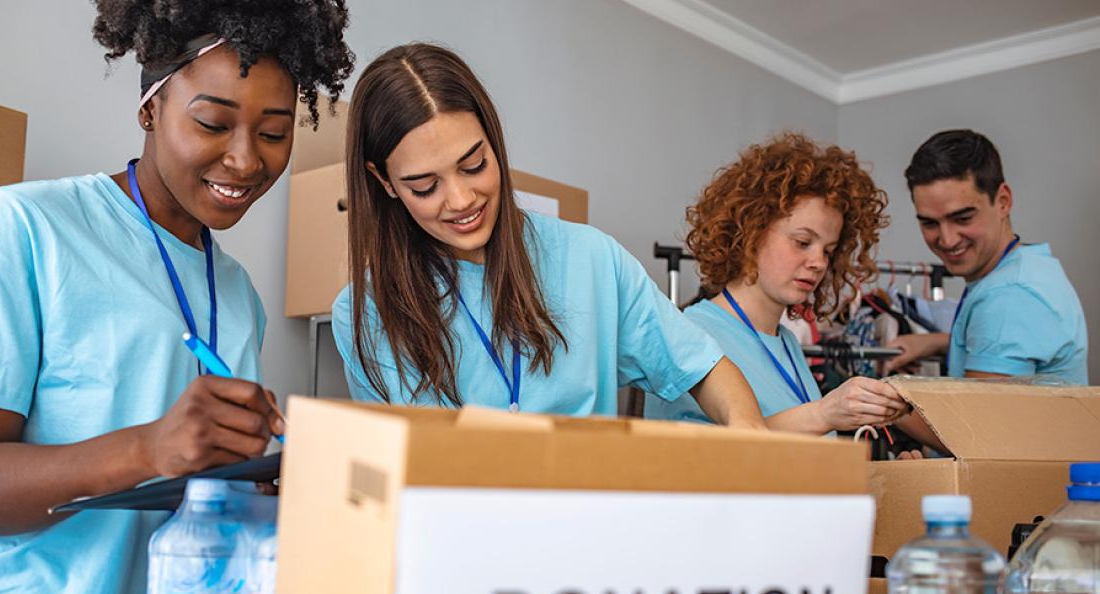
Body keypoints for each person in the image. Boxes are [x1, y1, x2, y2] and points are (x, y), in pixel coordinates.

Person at [0, 1, 353, 594]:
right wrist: (151, 447)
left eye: (275, 133)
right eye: (212, 122)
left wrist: (255, 478)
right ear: (149, 109)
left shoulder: (237, 293)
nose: (244, 159)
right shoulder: (27, 228)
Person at [331, 43, 764, 427]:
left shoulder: (592, 260)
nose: (462, 200)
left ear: (494, 143)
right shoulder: (364, 313)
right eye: (425, 187)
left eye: (474, 165)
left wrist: (747, 428)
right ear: (384, 182)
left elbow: (704, 367)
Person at [644, 133, 909, 435]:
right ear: (750, 233)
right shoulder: (689, 335)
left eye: (828, 251)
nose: (819, 262)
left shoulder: (788, 344)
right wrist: (823, 414)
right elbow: (695, 459)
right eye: (803, 242)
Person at [885, 129, 1088, 384]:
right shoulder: (1029, 264)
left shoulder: (1008, 297)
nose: (947, 240)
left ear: (1003, 201)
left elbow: (974, 421)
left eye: (963, 218)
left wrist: (881, 396)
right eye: (929, 223)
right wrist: (936, 342)